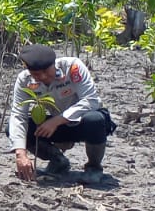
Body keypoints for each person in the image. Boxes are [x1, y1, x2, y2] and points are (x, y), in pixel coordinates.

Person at [8, 44, 115, 182]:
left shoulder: (72, 67)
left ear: (54, 64)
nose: (43, 77)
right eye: (36, 74)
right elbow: (18, 115)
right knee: (16, 129)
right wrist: (20, 153)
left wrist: (58, 120)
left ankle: (94, 167)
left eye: (46, 71)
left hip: (83, 122)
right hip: (55, 126)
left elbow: (91, 100)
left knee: (95, 120)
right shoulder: (24, 80)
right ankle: (58, 161)